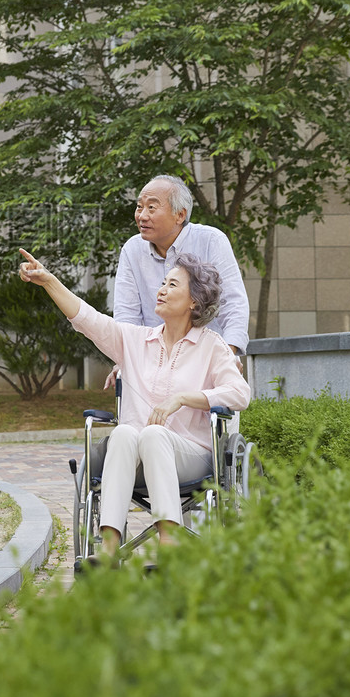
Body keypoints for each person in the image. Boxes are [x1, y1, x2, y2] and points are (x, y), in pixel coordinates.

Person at [19, 247, 250, 556]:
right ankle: (110, 548)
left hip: (190, 457)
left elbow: (239, 394)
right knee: (126, 432)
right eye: (162, 283)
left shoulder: (212, 346)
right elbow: (86, 318)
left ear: (194, 300)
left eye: (172, 285)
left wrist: (183, 399)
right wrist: (49, 282)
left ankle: (169, 541)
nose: (161, 290)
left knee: (153, 434)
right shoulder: (135, 341)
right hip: (133, 460)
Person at [114, 175, 249, 358]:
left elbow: (233, 304)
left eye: (151, 207)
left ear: (180, 215)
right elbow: (126, 315)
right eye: (139, 207)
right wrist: (125, 360)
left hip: (205, 358)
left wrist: (228, 355)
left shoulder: (211, 241)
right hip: (151, 361)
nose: (142, 216)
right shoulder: (132, 249)